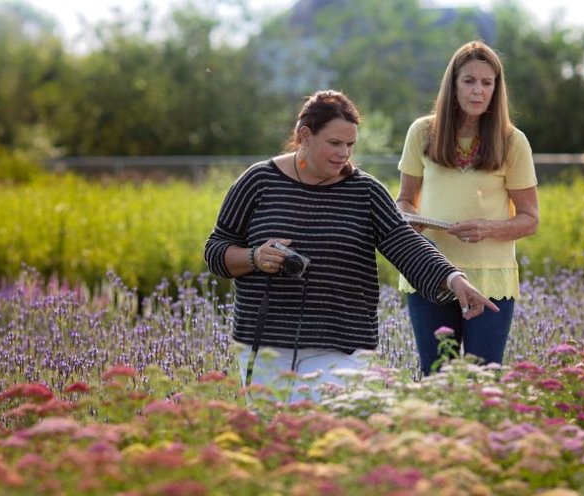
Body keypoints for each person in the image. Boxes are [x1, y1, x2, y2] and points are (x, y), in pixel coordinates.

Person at [204, 89, 498, 402]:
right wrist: (255, 257)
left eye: (350, 144)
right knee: (275, 441)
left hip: (341, 348)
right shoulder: (258, 181)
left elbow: (406, 243)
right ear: (305, 136)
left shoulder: (366, 191)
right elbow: (216, 249)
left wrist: (454, 279)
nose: (344, 153)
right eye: (334, 143)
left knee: (330, 433)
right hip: (265, 348)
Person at [396, 41, 539, 374]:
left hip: (490, 277)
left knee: (485, 379)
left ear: (496, 89)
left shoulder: (512, 141)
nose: (478, 91)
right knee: (436, 376)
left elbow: (530, 219)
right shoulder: (422, 132)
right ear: (453, 85)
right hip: (429, 273)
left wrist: (488, 228)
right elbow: (403, 199)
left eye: (487, 83)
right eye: (469, 81)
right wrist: (407, 218)